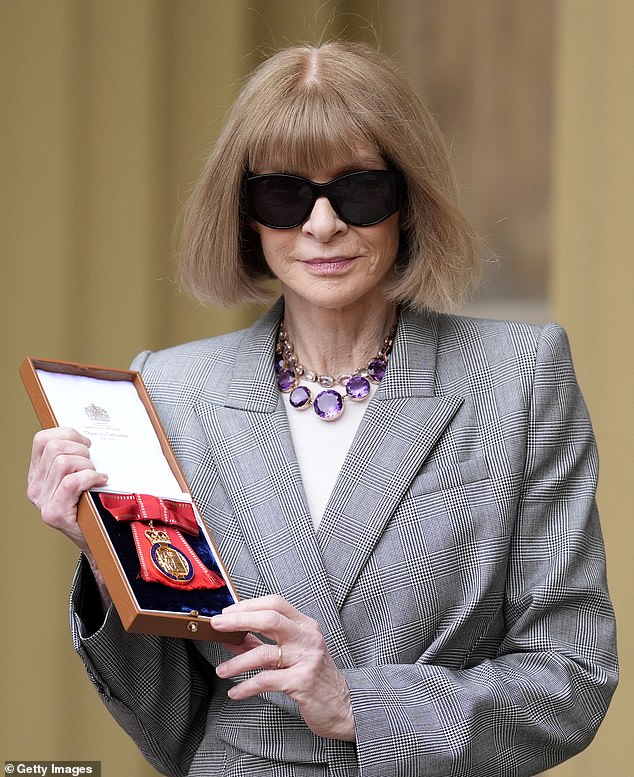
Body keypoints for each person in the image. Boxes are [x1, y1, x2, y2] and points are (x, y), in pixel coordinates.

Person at [27, 41, 617, 777]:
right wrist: (103, 550)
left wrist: (357, 704)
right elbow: (173, 723)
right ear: (245, 214)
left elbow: (572, 677)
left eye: (360, 190)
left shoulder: (519, 380)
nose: (322, 224)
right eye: (284, 193)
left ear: (408, 199)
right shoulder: (169, 392)